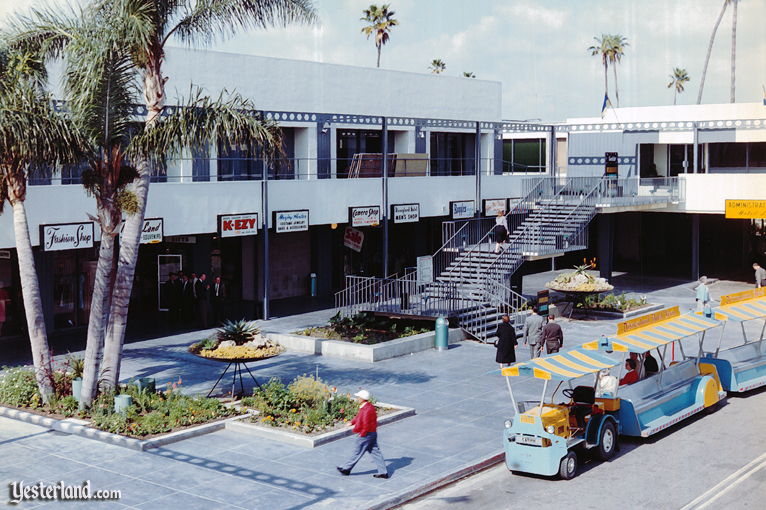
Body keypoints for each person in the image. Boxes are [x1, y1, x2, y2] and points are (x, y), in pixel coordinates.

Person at [337, 390, 388, 479]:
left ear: (362, 399)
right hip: (372, 433)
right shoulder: (368, 407)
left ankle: (346, 469)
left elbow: (365, 424)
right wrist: (351, 422)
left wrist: (362, 434)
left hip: (366, 434)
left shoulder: (366, 410)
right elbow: (359, 417)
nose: (357, 399)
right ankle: (383, 472)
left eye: (358, 397)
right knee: (376, 452)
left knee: (357, 452)